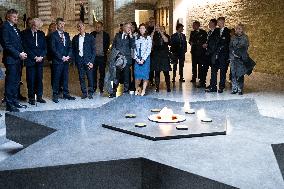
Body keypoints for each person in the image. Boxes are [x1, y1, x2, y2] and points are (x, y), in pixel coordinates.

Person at [1, 9, 28, 112]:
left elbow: (18, 44)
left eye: (17, 17)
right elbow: (6, 45)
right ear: (8, 17)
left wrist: (23, 53)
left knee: (16, 82)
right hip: (11, 60)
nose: (16, 18)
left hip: (18, 60)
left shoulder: (15, 28)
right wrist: (18, 54)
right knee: (10, 82)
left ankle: (15, 101)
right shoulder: (5, 27)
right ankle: (9, 104)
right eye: (14, 17)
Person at [22, 18, 47, 105]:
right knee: (31, 79)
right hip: (30, 60)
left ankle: (39, 97)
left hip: (40, 60)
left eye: (39, 27)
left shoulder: (41, 33)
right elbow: (25, 47)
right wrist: (34, 56)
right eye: (37, 26)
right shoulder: (25, 33)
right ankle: (31, 97)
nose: (38, 28)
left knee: (39, 79)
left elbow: (45, 47)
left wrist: (41, 56)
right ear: (33, 25)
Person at [50, 18, 75, 103]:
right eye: (60, 24)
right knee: (56, 78)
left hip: (66, 61)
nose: (62, 26)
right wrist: (61, 57)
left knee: (65, 78)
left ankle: (66, 94)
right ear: (57, 25)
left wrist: (68, 56)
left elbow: (70, 47)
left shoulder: (67, 35)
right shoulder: (53, 35)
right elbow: (53, 49)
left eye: (63, 24)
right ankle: (55, 94)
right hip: (58, 61)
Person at [110, 22, 135, 97]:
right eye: (128, 27)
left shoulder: (131, 37)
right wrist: (114, 57)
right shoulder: (117, 35)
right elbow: (113, 47)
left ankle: (126, 92)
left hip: (127, 60)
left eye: (130, 27)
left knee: (127, 77)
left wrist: (130, 36)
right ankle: (113, 92)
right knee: (116, 76)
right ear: (123, 28)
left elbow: (133, 46)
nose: (129, 29)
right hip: (117, 60)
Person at [206, 17, 230, 93]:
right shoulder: (216, 31)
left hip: (223, 55)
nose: (218, 23)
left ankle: (221, 87)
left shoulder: (227, 31)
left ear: (222, 22)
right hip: (215, 54)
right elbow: (212, 41)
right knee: (213, 71)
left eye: (219, 22)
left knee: (222, 71)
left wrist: (219, 44)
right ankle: (213, 87)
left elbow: (226, 43)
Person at [229, 23, 255, 95]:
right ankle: (234, 88)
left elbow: (244, 47)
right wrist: (233, 52)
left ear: (242, 30)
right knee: (233, 74)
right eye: (237, 28)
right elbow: (230, 46)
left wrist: (238, 53)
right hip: (233, 58)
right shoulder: (233, 37)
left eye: (239, 28)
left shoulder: (245, 38)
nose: (237, 30)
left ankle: (240, 89)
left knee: (240, 74)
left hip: (241, 58)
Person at [72, 21, 95, 99]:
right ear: (77, 28)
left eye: (81, 26)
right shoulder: (75, 38)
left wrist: (92, 61)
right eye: (78, 26)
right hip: (80, 60)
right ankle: (84, 93)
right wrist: (74, 61)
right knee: (81, 77)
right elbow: (74, 51)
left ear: (84, 27)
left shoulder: (90, 37)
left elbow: (93, 50)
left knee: (90, 77)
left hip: (88, 61)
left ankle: (91, 92)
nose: (80, 28)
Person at [200, 19, 220, 89]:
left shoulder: (217, 32)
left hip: (212, 53)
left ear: (214, 24)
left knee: (213, 70)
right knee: (204, 68)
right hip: (207, 53)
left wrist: (207, 45)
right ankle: (202, 83)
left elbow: (215, 43)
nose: (209, 24)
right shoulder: (209, 32)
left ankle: (213, 85)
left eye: (210, 23)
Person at [91, 21, 110, 94]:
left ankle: (101, 87)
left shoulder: (106, 35)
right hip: (94, 57)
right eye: (96, 26)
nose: (97, 28)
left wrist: (104, 52)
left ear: (102, 27)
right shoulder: (92, 34)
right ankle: (94, 87)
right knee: (93, 73)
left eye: (99, 27)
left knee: (102, 73)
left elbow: (107, 45)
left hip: (102, 57)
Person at [133, 23, 152, 96]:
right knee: (137, 75)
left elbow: (148, 49)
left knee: (145, 75)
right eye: (140, 28)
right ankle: (137, 89)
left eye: (143, 28)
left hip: (145, 59)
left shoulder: (148, 38)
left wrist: (143, 59)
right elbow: (134, 49)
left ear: (146, 29)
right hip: (137, 58)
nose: (141, 30)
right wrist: (137, 59)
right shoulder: (136, 37)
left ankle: (143, 90)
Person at [152, 25, 171, 92]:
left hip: (164, 56)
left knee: (166, 72)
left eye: (162, 29)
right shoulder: (155, 36)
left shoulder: (167, 35)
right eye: (159, 29)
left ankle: (168, 87)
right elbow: (150, 40)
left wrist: (161, 32)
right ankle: (157, 87)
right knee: (157, 72)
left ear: (164, 30)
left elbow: (166, 41)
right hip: (156, 55)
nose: (160, 30)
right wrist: (154, 31)